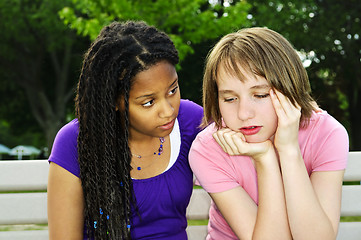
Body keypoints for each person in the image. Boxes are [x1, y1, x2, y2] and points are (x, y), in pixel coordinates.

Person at [47, 21, 203, 240]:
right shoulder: (75, 141)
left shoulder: (192, 121)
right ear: (114, 100)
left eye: (172, 90)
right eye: (148, 102)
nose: (168, 111)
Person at [189, 27, 349, 240]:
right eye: (229, 99)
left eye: (261, 95)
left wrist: (289, 149)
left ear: (289, 88)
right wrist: (265, 159)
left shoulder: (327, 134)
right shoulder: (209, 148)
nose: (244, 113)